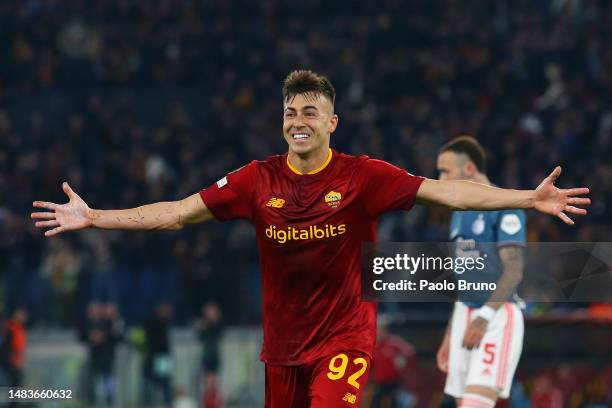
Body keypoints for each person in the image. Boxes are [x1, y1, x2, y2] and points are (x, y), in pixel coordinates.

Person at [31, 70, 590, 407]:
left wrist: (525, 197)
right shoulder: (256, 180)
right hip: (282, 349)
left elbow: (449, 194)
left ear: (332, 122)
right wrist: (96, 216)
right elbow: (178, 213)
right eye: (291, 111)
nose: (299, 119)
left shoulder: (363, 176)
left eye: (311, 112)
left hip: (345, 340)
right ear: (283, 121)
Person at [435, 136, 526, 408]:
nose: (439, 179)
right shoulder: (458, 212)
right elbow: (463, 277)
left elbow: (514, 269)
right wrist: (452, 332)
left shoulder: (505, 205)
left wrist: (484, 317)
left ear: (470, 170)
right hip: (465, 314)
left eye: (445, 171)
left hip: (496, 313)